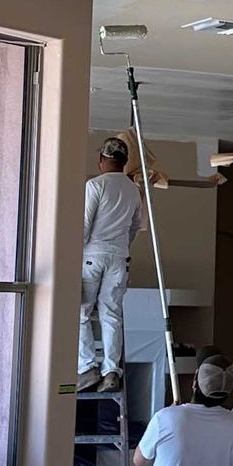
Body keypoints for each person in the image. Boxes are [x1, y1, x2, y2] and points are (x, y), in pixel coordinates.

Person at [79, 136, 144, 394]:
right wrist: (122, 248)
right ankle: (110, 373)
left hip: (92, 255)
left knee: (81, 313)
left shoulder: (95, 186)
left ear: (103, 160)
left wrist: (75, 255)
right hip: (119, 258)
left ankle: (87, 369)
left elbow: (84, 223)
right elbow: (136, 225)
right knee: (111, 315)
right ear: (124, 162)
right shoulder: (133, 190)